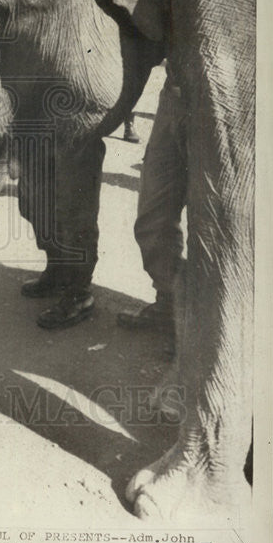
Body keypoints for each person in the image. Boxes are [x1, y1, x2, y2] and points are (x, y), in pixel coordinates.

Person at [117, 66, 186, 347]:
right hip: (174, 95)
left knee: (210, 220)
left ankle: (197, 326)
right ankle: (168, 303)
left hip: (222, 98)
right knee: (153, 212)